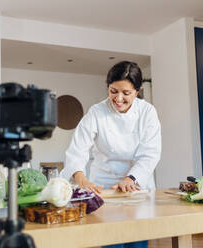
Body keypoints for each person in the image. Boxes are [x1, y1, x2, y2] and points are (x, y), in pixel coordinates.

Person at [60, 61, 161, 248]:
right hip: (104, 187)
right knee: (110, 241)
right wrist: (81, 178)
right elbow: (78, 149)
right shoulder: (96, 112)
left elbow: (150, 154)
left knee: (137, 242)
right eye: (113, 91)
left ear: (137, 92)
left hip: (136, 186)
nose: (118, 98)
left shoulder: (147, 112)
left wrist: (131, 178)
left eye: (126, 93)